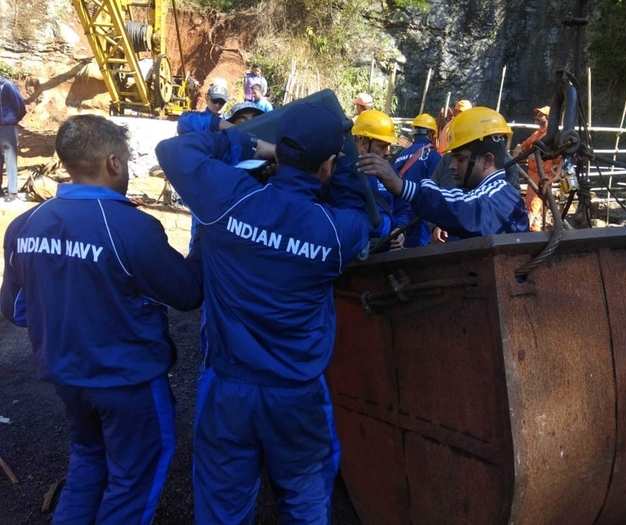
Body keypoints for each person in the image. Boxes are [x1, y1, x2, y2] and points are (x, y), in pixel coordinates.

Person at [155, 101, 371, 524]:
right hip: (297, 395)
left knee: (223, 505)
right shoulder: (336, 231)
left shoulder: (227, 200)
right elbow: (362, 213)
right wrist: (340, 165)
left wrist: (244, 141)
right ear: (326, 165)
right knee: (304, 501)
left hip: (227, 388)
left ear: (280, 151)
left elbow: (173, 151)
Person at [0, 115, 202, 524]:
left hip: (65, 376)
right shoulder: (131, 227)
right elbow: (186, 293)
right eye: (125, 161)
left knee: (89, 460)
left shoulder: (25, 224)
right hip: (128, 383)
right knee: (134, 479)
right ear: (113, 163)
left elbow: (15, 309)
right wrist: (203, 244)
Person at [358, 106, 528, 242]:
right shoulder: (488, 193)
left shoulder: (499, 196)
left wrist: (401, 186)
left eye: (460, 159)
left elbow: (463, 208)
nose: (452, 166)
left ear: (488, 161)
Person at [351, 108, 409, 249]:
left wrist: (399, 230)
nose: (387, 152)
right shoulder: (341, 172)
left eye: (388, 146)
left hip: (383, 256)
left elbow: (403, 208)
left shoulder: (389, 172)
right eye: (382, 146)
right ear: (363, 141)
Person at [393, 113, 442, 247]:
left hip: (396, 221)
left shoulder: (399, 155)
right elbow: (436, 192)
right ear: (432, 134)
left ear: (414, 133)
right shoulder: (433, 156)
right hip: (419, 222)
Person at [512, 105, 558, 231]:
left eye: (540, 115)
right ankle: (534, 229)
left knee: (534, 203)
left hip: (543, 175)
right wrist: (519, 149)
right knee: (533, 203)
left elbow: (558, 158)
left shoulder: (552, 136)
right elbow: (525, 145)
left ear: (548, 117)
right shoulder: (537, 134)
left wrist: (557, 170)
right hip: (533, 173)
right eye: (537, 115)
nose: (537, 117)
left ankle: (525, 230)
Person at [0, 75, 26, 201]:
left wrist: (11, 120)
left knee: (10, 159)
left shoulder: (7, 85)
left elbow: (20, 106)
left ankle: (12, 192)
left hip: (7, 127)